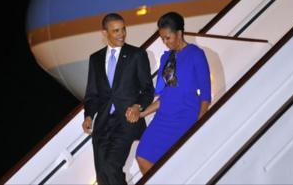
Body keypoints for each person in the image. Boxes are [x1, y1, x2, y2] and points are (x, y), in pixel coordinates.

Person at [82, 13, 154, 184]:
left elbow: (148, 90)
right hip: (103, 123)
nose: (122, 34)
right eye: (116, 31)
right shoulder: (95, 59)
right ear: (104, 33)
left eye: (123, 29)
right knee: (102, 175)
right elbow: (92, 94)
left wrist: (138, 106)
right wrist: (89, 115)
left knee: (111, 166)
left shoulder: (137, 55)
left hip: (127, 119)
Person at [136, 12, 211, 174]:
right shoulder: (167, 58)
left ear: (179, 33)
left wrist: (198, 125)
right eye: (162, 39)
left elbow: (205, 96)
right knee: (142, 156)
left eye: (167, 38)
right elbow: (166, 96)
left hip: (184, 116)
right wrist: (142, 114)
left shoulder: (195, 54)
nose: (165, 42)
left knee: (170, 166)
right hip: (164, 116)